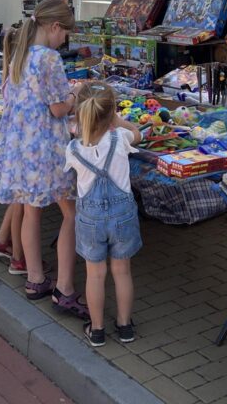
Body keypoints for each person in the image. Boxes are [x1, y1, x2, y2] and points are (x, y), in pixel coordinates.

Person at [0, 0, 86, 318]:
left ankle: (35, 279)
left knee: (32, 213)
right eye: (65, 33)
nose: (65, 39)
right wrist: (76, 92)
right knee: (71, 214)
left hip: (23, 149)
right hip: (47, 149)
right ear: (54, 27)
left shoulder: (21, 54)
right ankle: (65, 288)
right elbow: (59, 108)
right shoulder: (49, 59)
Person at [65, 83, 142, 347]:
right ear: (111, 115)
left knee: (95, 274)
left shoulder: (73, 149)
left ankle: (97, 329)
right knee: (122, 271)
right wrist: (119, 121)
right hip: (123, 216)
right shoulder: (120, 138)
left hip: (90, 218)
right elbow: (138, 134)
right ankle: (125, 326)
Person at [0, 27, 27, 275]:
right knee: (22, 201)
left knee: (17, 200)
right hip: (22, 144)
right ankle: (18, 258)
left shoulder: (12, 67)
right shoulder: (22, 71)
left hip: (13, 143)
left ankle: (1, 241)